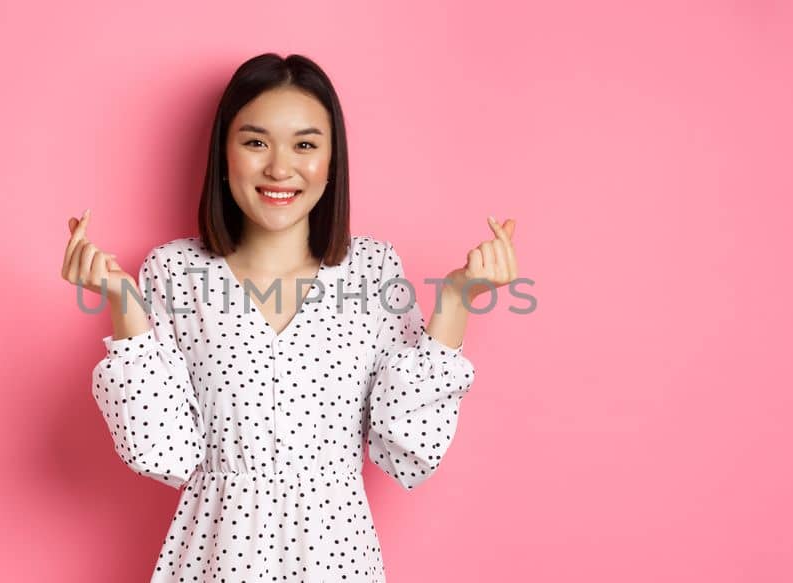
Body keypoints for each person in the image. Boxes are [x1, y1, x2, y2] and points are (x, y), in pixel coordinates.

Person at [58, 53, 519, 582]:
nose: (280, 168)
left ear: (332, 161)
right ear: (224, 154)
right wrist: (122, 301)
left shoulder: (371, 270)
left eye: (305, 145)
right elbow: (164, 453)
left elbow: (405, 448)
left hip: (336, 560)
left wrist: (456, 301)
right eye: (256, 142)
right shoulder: (174, 271)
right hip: (215, 560)